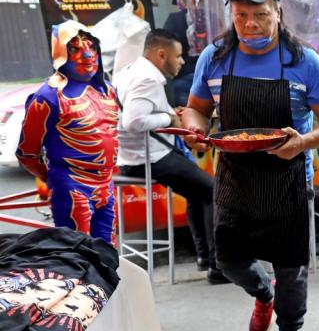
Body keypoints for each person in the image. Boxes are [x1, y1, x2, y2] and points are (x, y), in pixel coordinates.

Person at [181, 0, 319, 331]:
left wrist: (304, 142)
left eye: (260, 15)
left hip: (289, 178)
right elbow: (197, 108)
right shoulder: (214, 59)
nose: (250, 24)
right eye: (240, 16)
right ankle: (260, 292)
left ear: (278, 12)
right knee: (229, 260)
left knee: (292, 268)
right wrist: (196, 131)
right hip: (235, 176)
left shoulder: (303, 61)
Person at [114, 29, 226, 284]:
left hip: (134, 157)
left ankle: (204, 257)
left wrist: (166, 111)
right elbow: (133, 121)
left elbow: (138, 111)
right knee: (213, 191)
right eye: (178, 56)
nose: (182, 62)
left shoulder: (130, 71)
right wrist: (170, 117)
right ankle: (217, 267)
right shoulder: (147, 78)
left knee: (196, 191)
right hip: (148, 159)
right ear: (161, 54)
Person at [16, 21, 119, 245]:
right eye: (75, 48)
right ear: (61, 53)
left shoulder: (108, 90)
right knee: (77, 256)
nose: (87, 54)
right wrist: (53, 179)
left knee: (109, 255)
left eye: (91, 46)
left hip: (106, 183)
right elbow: (27, 153)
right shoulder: (47, 97)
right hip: (72, 184)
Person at [164, 0, 202, 108]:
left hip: (184, 79)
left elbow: (166, 48)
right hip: (209, 77)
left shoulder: (174, 19)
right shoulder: (210, 17)